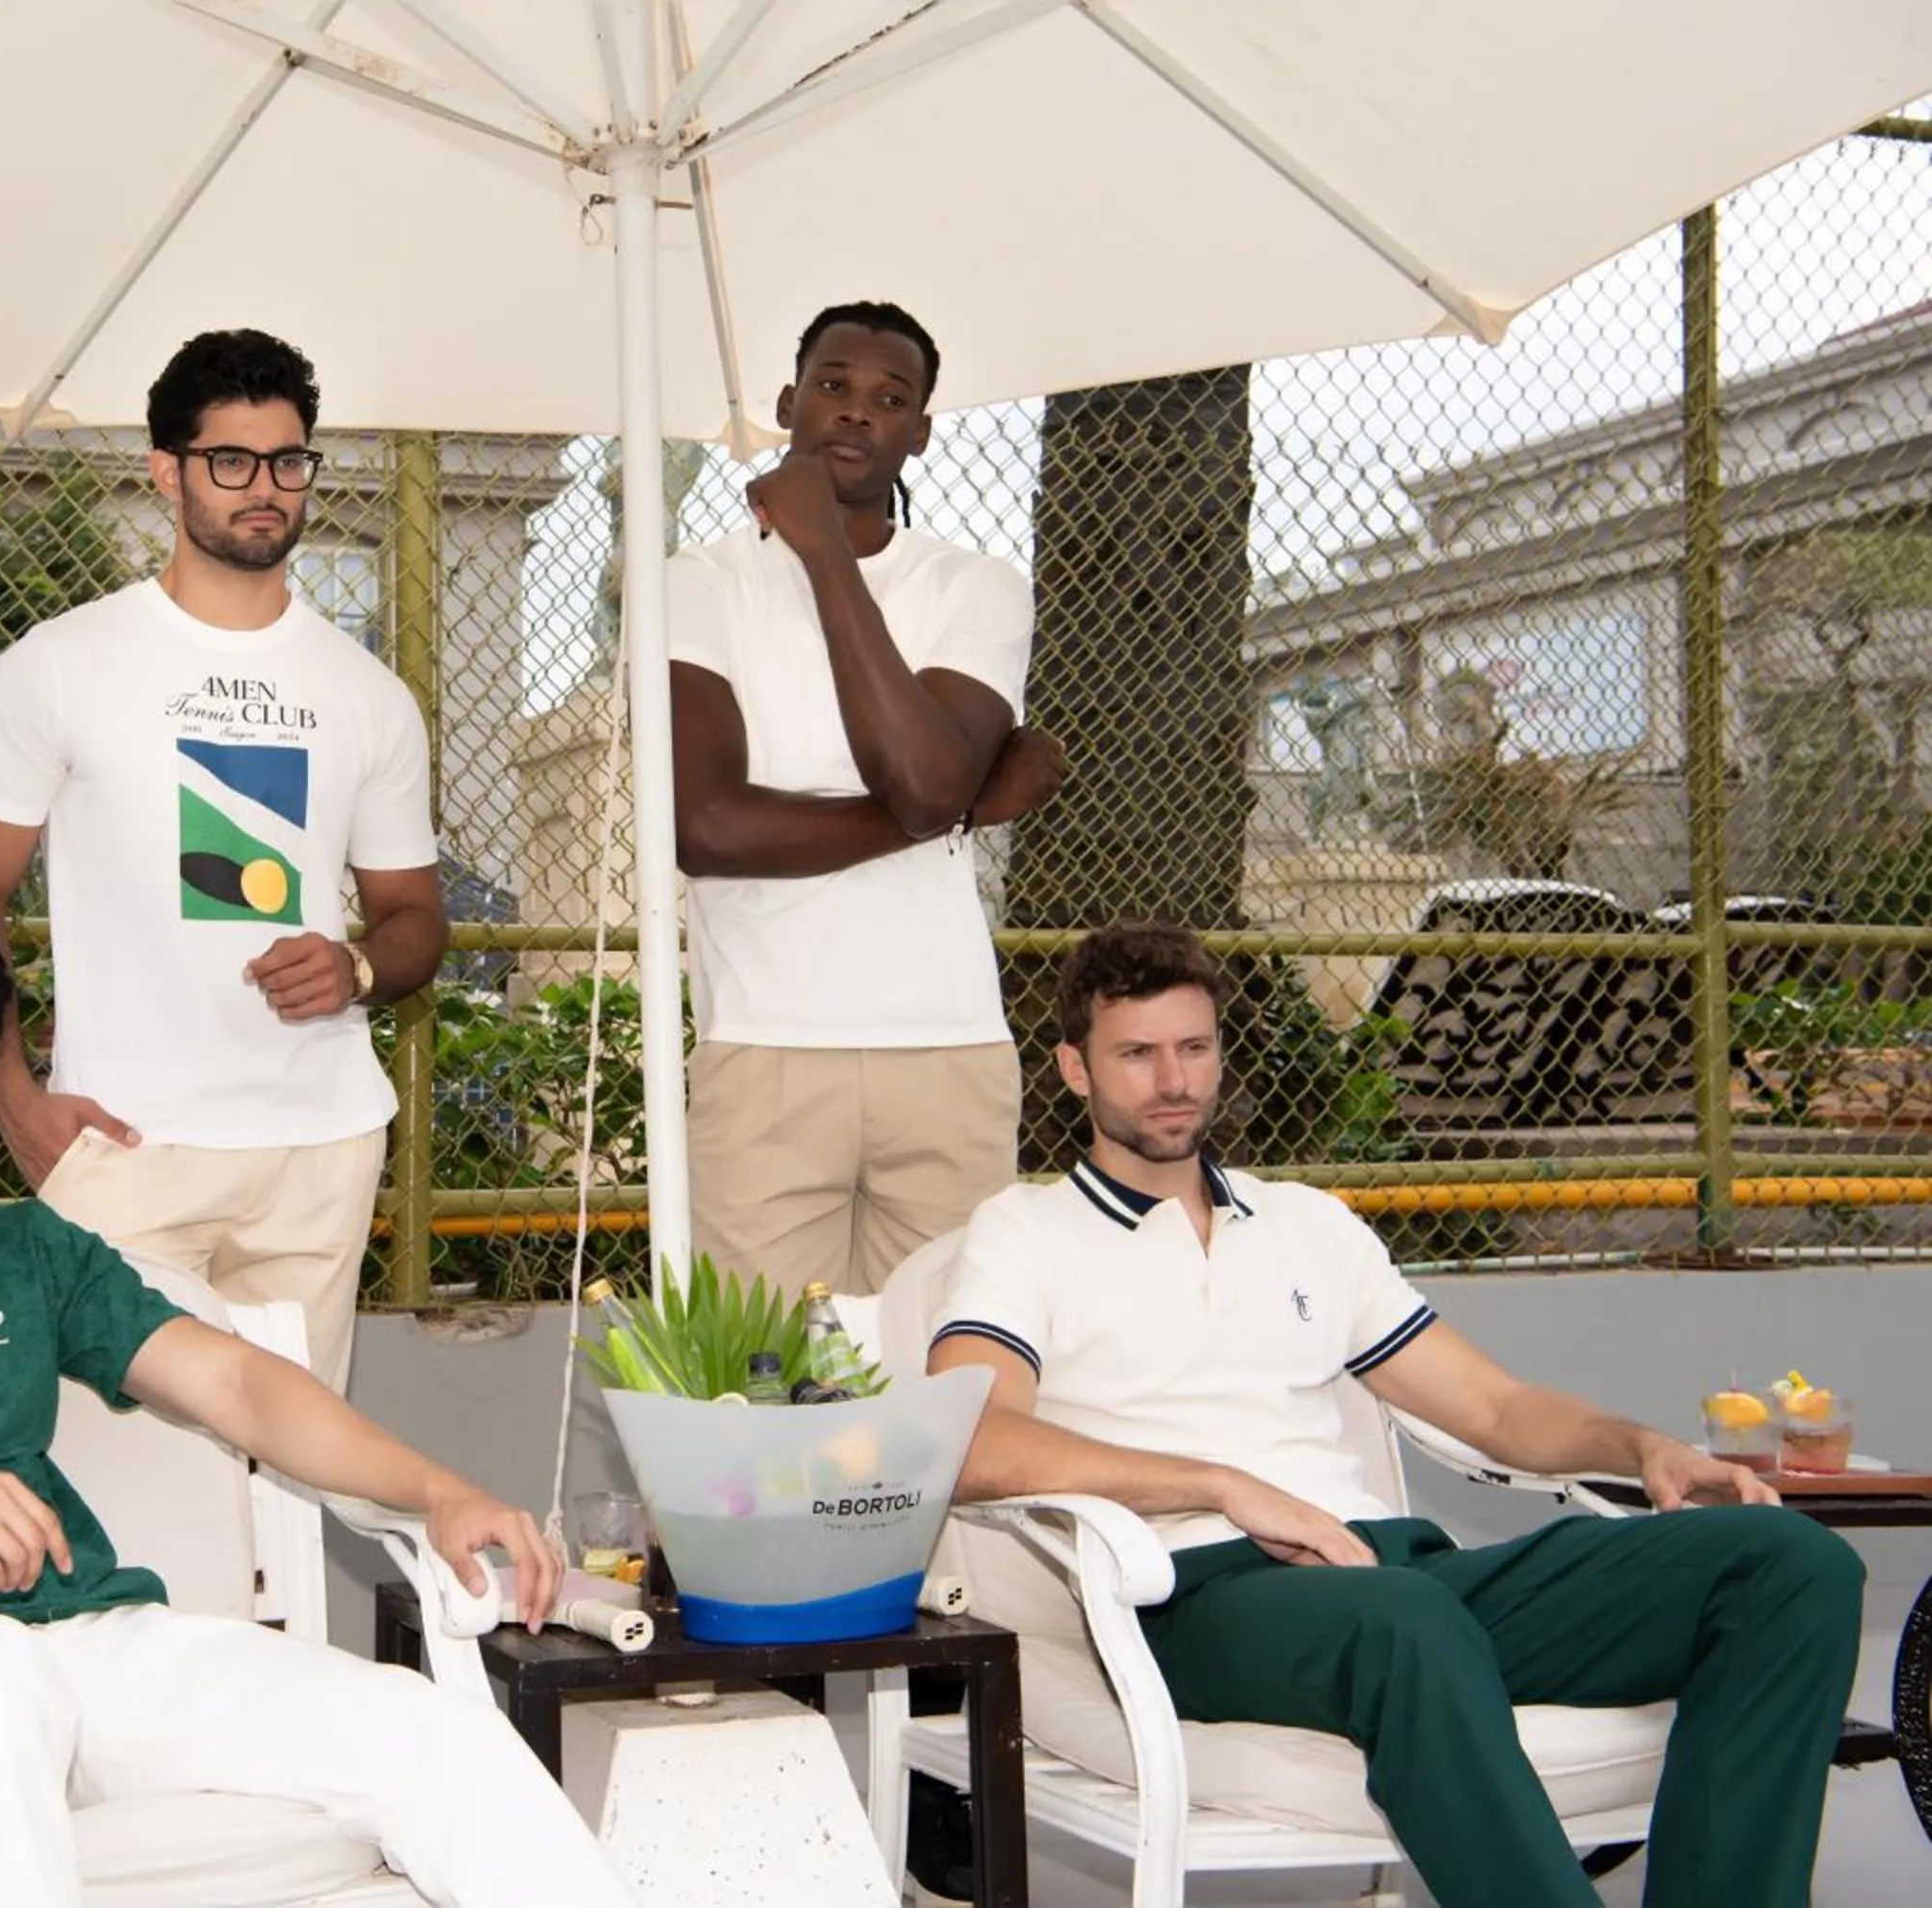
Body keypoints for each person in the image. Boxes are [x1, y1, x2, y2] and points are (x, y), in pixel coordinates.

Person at [0, 911, 631, 1908]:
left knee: (419, 1725)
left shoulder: (22, 1249)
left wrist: (439, 1490)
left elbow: (233, 1383)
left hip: (88, 1638)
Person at [927, 920, 1863, 1908]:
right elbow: (975, 1437)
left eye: (1193, 1047)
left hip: (1397, 1576)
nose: (1174, 1080)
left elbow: (1496, 1406)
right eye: (1138, 1053)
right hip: (1195, 1593)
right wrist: (1225, 1489)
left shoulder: (1307, 1225)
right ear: (1075, 1068)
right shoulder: (1026, 1232)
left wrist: (1641, 1444)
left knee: (1787, 1564)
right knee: (1404, 1618)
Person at [0, 329, 444, 1390]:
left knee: (290, 1494)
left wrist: (351, 967)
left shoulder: (369, 695)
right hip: (125, 1143)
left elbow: (416, 922)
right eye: (231, 461)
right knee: (121, 1491)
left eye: (288, 461)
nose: (265, 488)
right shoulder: (59, 666)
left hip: (321, 1145)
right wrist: (13, 1102)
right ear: (167, 473)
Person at [668, 298, 1064, 1298]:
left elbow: (926, 775)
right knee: (761, 1389)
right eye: (833, 386)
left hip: (947, 1046)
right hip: (765, 1046)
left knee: (944, 1387)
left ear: (920, 434)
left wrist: (829, 558)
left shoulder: (975, 588)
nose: (855, 412)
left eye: (890, 399)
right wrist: (954, 810)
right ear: (786, 404)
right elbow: (707, 825)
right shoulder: (696, 584)